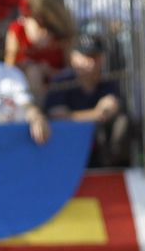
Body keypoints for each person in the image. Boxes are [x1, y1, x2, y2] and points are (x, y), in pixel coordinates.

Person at [44, 31, 129, 166]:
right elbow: (57, 117)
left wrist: (78, 116)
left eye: (95, 56)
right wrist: (95, 114)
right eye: (86, 56)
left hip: (99, 153)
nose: (91, 62)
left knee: (122, 123)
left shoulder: (107, 83)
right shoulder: (62, 81)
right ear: (73, 57)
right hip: (66, 154)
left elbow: (111, 109)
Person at [3, 0, 71, 95]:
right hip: (25, 89)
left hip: (58, 87)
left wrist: (49, 72)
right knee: (34, 72)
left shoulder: (62, 34)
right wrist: (26, 65)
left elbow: (71, 71)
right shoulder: (17, 31)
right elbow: (8, 69)